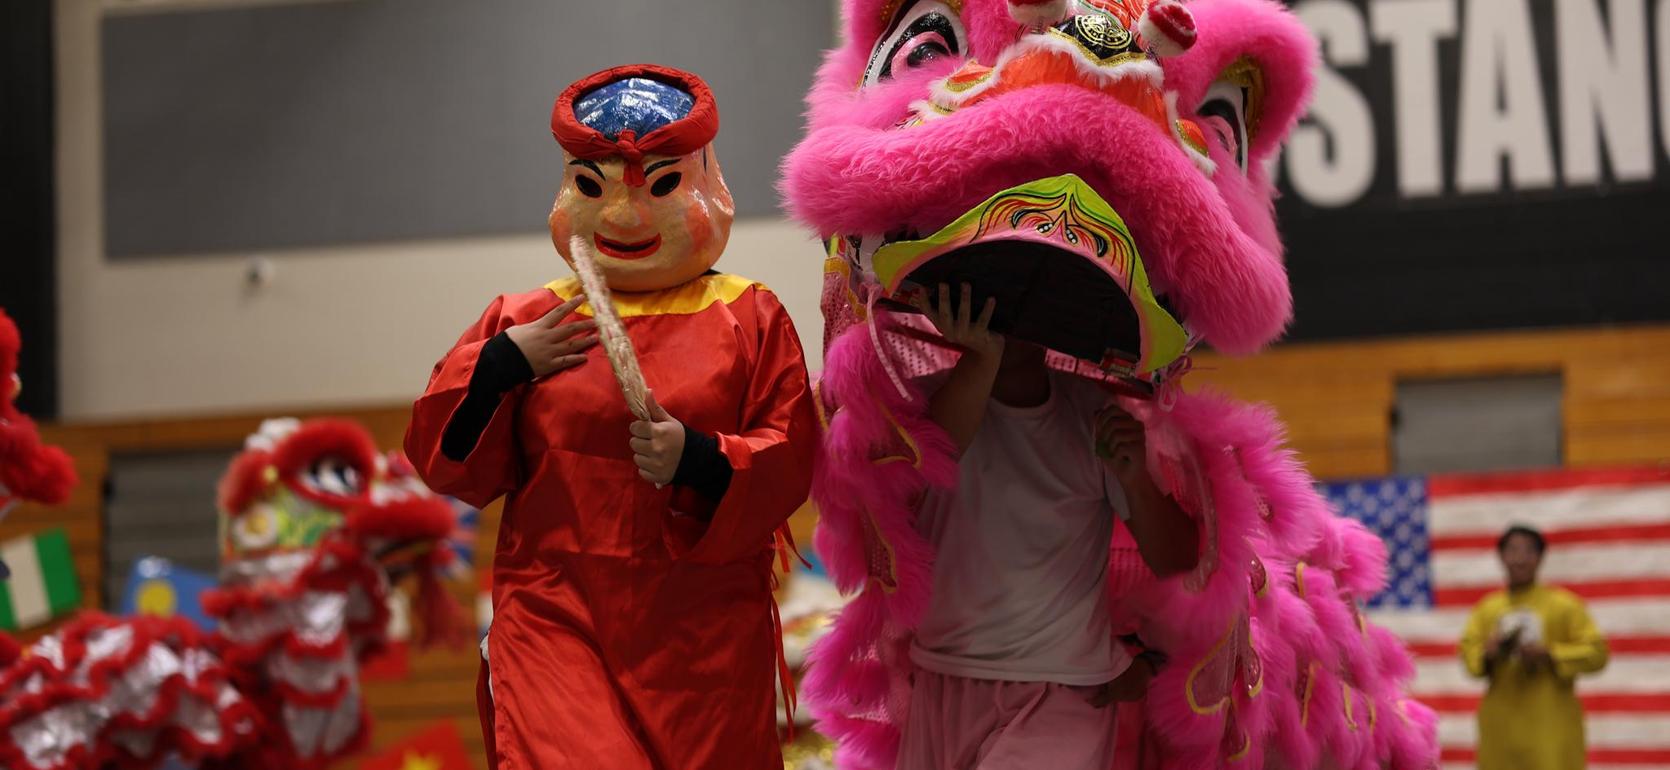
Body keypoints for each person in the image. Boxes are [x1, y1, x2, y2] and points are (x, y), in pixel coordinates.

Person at [405, 64, 817, 770]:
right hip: (557, 616)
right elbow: (446, 462)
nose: (624, 218)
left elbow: (790, 456)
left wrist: (698, 458)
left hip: (703, 641)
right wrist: (502, 364)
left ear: (704, 184)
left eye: (660, 188)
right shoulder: (527, 318)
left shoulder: (751, 316)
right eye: (592, 190)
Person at [893, 285, 1200, 770]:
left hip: (1060, 691)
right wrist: (981, 359)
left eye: (1022, 304)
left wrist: (1136, 478)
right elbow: (928, 466)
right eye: (993, 303)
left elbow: (1177, 559)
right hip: (938, 682)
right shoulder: (921, 402)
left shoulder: (1095, 414)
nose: (1007, 320)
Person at [1459, 525, 1609, 770]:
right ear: (1501, 557)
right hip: (1500, 730)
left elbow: (1598, 654)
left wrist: (1550, 654)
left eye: (1528, 551)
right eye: (1512, 550)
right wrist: (1489, 653)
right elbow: (1469, 658)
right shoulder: (1487, 609)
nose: (1519, 558)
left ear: (1540, 558)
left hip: (1551, 727)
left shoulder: (1564, 605)